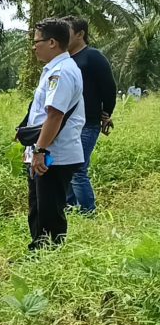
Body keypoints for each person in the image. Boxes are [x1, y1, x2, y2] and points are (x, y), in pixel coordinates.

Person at [23, 18, 85, 250]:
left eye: (37, 41)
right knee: (38, 205)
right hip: (46, 151)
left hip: (54, 154)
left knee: (50, 209)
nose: (34, 47)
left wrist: (40, 150)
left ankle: (51, 252)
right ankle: (37, 250)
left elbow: (55, 116)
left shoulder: (62, 72)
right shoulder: (55, 69)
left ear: (52, 42)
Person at [61, 16, 117, 213]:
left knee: (78, 169)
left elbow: (109, 88)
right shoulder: (64, 59)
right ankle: (69, 207)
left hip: (88, 123)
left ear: (80, 34)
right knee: (66, 167)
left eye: (66, 31)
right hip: (66, 123)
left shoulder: (92, 57)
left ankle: (88, 212)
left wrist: (106, 113)